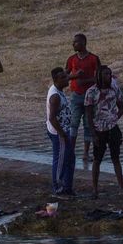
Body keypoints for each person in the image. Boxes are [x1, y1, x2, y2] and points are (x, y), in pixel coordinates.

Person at [83, 66, 123, 198]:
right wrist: (93, 133)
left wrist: (114, 119)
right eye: (105, 74)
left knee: (116, 158)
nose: (108, 77)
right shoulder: (91, 92)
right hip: (98, 129)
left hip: (112, 128)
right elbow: (88, 115)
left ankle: (121, 187)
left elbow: (121, 108)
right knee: (97, 159)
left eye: (109, 74)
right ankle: (95, 189)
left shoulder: (114, 89)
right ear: (99, 75)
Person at [65, 33, 101, 155]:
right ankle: (71, 150)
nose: (73, 44)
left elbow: (99, 78)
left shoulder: (93, 59)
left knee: (87, 123)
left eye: (76, 42)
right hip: (76, 94)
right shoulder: (72, 59)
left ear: (83, 43)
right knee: (74, 122)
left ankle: (85, 152)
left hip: (89, 95)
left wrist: (84, 80)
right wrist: (74, 76)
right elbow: (65, 76)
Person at [46, 67, 75, 197]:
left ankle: (67, 187)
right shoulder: (55, 96)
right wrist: (62, 134)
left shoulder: (59, 90)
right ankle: (58, 188)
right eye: (63, 77)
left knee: (70, 158)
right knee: (60, 161)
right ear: (56, 80)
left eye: (66, 76)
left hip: (64, 130)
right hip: (59, 133)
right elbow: (52, 118)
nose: (67, 79)